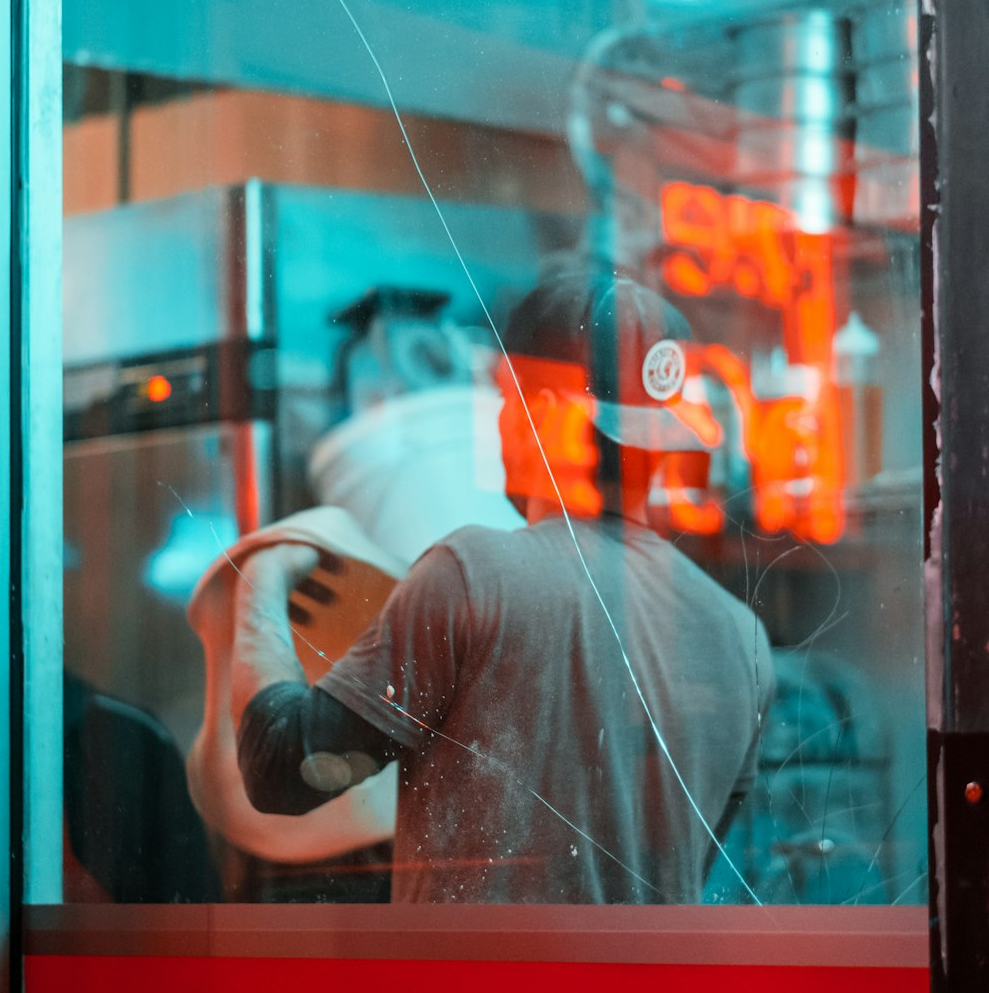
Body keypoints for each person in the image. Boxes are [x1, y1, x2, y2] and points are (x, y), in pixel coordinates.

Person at [232, 262, 774, 903]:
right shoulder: (743, 641)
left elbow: (286, 771)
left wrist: (259, 579)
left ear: (538, 413)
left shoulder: (473, 577)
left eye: (502, 399)